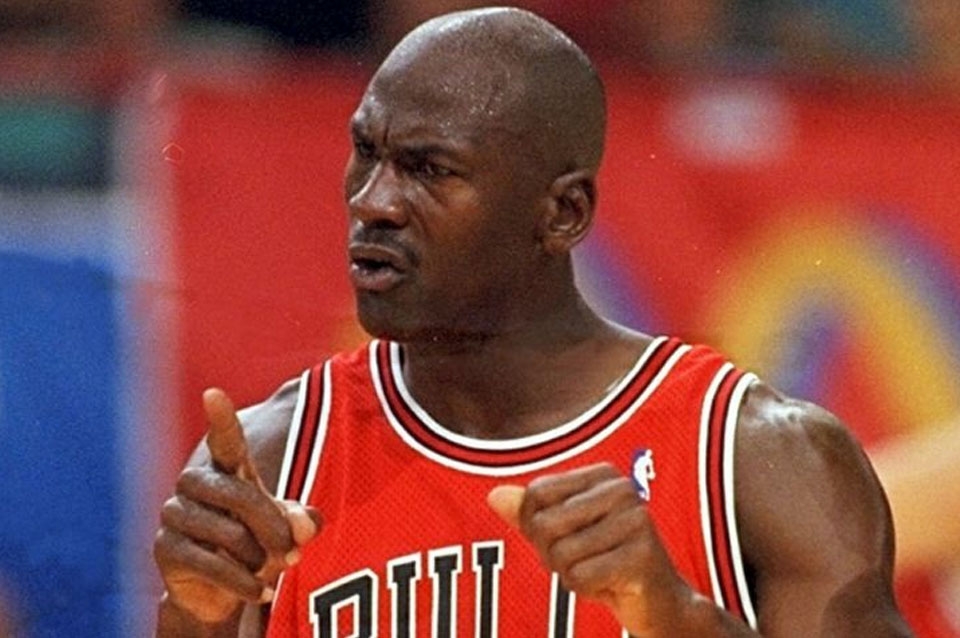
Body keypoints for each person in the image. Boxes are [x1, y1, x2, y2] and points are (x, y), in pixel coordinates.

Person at [153, 7, 913, 636]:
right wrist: (195, 617)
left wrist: (673, 615)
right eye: (366, 152)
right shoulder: (279, 456)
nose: (371, 201)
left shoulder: (758, 459)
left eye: (429, 169)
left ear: (563, 213)